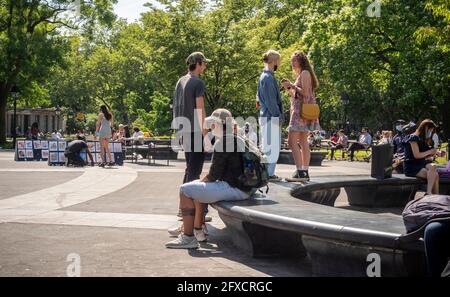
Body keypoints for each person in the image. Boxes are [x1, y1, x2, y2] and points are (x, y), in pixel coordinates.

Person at [166, 109, 255, 249]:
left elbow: (214, 175)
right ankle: (198, 230)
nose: (211, 128)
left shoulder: (224, 142)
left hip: (234, 188)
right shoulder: (237, 138)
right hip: (245, 187)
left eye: (212, 125)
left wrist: (200, 182)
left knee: (185, 190)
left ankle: (188, 237)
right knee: (196, 189)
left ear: (218, 125)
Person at [172, 52, 211, 230]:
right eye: (204, 63)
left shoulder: (180, 81)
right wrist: (205, 131)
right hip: (195, 129)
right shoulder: (198, 83)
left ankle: (184, 209)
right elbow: (200, 107)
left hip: (183, 129)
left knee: (189, 168)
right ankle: (192, 213)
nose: (205, 66)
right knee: (195, 170)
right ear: (198, 63)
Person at [282, 51, 320, 181]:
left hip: (300, 113)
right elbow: (297, 96)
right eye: (291, 60)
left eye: (295, 60)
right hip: (301, 112)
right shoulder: (304, 73)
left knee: (292, 142)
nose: (292, 63)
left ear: (301, 61)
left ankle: (300, 172)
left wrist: (292, 85)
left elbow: (306, 94)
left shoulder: (304, 73)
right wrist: (289, 89)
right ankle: (304, 171)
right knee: (303, 142)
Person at [257, 50, 284, 182]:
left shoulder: (265, 77)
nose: (279, 64)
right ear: (273, 61)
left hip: (266, 116)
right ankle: (268, 174)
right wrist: (278, 116)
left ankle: (267, 173)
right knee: (272, 147)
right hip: (270, 117)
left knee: (268, 146)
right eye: (278, 61)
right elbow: (271, 101)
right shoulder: (268, 78)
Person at [403, 119, 439, 195]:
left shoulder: (422, 139)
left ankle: (433, 195)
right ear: (426, 128)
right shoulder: (413, 138)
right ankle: (431, 194)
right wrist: (430, 151)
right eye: (430, 130)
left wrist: (435, 153)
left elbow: (425, 154)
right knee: (435, 176)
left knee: (433, 166)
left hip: (421, 163)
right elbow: (417, 155)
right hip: (411, 166)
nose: (431, 133)